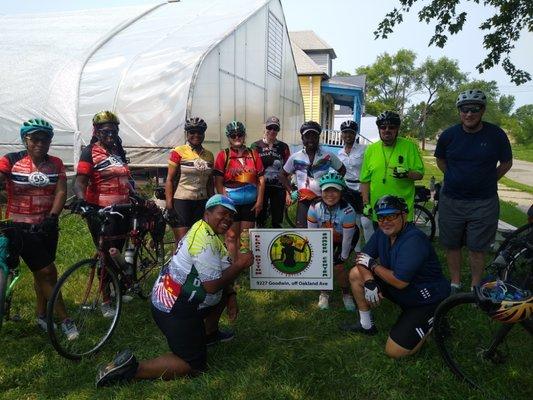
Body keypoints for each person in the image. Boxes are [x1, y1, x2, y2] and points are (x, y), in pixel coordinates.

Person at [95, 195, 254, 387]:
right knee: (194, 365)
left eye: (231, 216)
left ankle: (209, 335)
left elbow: (222, 272)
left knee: (222, 291)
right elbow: (211, 286)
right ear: (207, 213)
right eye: (223, 214)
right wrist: (240, 265)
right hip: (174, 309)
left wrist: (231, 295)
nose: (227, 219)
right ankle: (130, 370)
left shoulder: (207, 232)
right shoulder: (202, 241)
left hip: (180, 299)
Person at [342, 195, 450, 358]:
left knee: (394, 351)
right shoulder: (382, 233)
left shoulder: (414, 239)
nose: (385, 221)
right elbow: (362, 258)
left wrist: (373, 266)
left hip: (425, 299)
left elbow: (400, 282)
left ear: (404, 215)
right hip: (403, 289)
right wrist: (370, 281)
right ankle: (366, 325)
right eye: (381, 217)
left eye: (391, 215)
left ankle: (435, 319)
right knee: (357, 274)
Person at [0, 119, 78, 340]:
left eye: (45, 139)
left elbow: (61, 191)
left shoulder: (56, 163)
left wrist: (53, 217)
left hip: (47, 226)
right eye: (35, 138)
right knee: (47, 272)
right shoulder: (11, 160)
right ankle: (64, 320)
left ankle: (41, 314)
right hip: (20, 227)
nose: (40, 143)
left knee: (40, 273)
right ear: (25, 139)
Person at [435, 89, 513, 293]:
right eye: (464, 109)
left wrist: (488, 179)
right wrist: (452, 177)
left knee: (478, 248)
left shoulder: (496, 135)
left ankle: (475, 287)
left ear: (483, 110)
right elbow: (440, 160)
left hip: (484, 202)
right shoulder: (449, 135)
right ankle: (455, 283)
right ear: (459, 111)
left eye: (474, 109)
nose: (469, 114)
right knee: (452, 244)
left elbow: (506, 162)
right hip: (452, 200)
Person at [73, 110, 136, 317]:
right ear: (97, 132)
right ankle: (106, 299)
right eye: (105, 130)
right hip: (102, 211)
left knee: (117, 253)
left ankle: (119, 288)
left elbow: (128, 178)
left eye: (113, 130)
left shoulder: (119, 151)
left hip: (123, 210)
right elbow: (80, 182)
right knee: (105, 255)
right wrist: (83, 202)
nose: (110, 134)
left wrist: (137, 195)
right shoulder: (89, 151)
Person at [359, 111, 424, 223]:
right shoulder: (371, 149)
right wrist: (366, 203)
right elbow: (365, 180)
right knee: (381, 240)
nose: (387, 130)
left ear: (397, 129)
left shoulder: (409, 147)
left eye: (391, 127)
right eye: (383, 127)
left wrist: (407, 173)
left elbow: (420, 174)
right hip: (379, 210)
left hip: (402, 212)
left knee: (402, 241)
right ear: (379, 129)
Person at [307, 172, 359, 311]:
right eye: (326, 190)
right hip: (325, 237)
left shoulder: (348, 211)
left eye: (335, 190)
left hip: (345, 238)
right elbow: (312, 234)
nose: (330, 194)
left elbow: (347, 238)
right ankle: (324, 293)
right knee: (323, 263)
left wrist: (343, 256)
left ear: (341, 192)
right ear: (321, 191)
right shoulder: (314, 207)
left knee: (338, 266)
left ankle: (346, 294)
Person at [279, 121, 346, 228]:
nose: (310, 139)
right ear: (302, 138)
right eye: (307, 136)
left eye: (314, 136)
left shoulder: (327, 155)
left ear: (318, 138)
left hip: (323, 200)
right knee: (302, 232)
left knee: (322, 232)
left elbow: (342, 170)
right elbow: (282, 175)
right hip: (303, 200)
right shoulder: (295, 157)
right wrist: (291, 191)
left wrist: (334, 186)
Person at [213, 121, 265, 257]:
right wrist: (224, 199)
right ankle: (232, 265)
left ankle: (243, 265)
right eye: (233, 135)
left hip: (250, 203)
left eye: (240, 134)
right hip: (231, 203)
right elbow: (218, 181)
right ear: (228, 137)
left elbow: (261, 179)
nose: (237, 137)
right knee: (231, 235)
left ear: (244, 135)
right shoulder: (223, 155)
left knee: (245, 237)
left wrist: (259, 201)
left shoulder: (253, 154)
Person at [164, 117, 214, 243]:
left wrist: (212, 202)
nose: (196, 135)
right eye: (192, 132)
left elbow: (209, 182)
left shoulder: (209, 155)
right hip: (182, 201)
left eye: (200, 132)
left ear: (204, 134)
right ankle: (177, 263)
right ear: (187, 134)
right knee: (182, 242)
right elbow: (169, 179)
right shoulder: (178, 151)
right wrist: (169, 204)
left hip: (202, 202)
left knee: (199, 240)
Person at [336, 120, 374, 247]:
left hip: (362, 188)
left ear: (355, 134)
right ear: (341, 134)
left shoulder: (364, 150)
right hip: (347, 189)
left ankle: (371, 250)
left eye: (351, 133)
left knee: (366, 222)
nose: (348, 135)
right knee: (354, 221)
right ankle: (357, 251)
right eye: (345, 132)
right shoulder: (339, 153)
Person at [251, 116, 290, 228]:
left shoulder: (283, 147)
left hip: (278, 188)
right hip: (261, 188)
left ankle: (277, 244)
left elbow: (288, 170)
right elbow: (252, 168)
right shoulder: (256, 146)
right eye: (270, 127)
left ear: (278, 130)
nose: (272, 131)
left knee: (277, 220)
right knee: (260, 218)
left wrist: (288, 192)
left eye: (275, 128)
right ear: (265, 128)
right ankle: (259, 243)